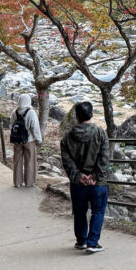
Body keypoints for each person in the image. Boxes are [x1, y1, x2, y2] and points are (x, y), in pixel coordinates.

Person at [59, 101, 110, 253]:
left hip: (78, 183)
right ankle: (92, 242)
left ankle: (81, 240)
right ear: (92, 114)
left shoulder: (67, 138)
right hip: (98, 182)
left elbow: (67, 162)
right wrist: (95, 176)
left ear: (76, 116)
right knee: (98, 211)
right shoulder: (100, 133)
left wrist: (79, 176)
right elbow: (105, 157)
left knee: (79, 211)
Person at [11, 94, 42, 188]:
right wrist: (39, 140)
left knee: (17, 161)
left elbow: (11, 126)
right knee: (30, 161)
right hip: (29, 141)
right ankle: (29, 182)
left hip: (17, 141)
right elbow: (35, 128)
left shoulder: (14, 112)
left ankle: (17, 182)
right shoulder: (31, 112)